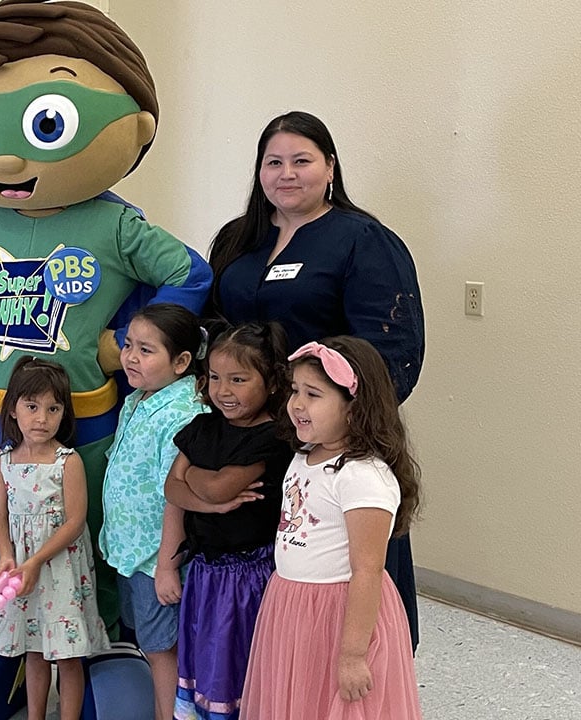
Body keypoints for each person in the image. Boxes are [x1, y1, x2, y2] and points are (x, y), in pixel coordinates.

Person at [0, 1, 211, 632]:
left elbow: (189, 273)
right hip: (1, 414)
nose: (3, 162)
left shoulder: (114, 222)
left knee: (89, 533)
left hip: (88, 413)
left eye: (46, 122)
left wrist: (126, 346)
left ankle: (98, 647)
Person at [205, 110, 425, 648]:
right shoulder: (240, 238)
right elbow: (212, 318)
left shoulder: (362, 240)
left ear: (330, 166)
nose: (287, 173)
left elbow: (390, 353)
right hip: (248, 427)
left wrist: (331, 426)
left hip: (328, 441)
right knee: (258, 573)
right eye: (273, 162)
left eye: (301, 160)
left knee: (344, 567)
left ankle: (362, 665)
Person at [241, 337, 422, 719]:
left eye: (313, 394)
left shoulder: (362, 476)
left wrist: (354, 655)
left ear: (354, 409)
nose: (297, 404)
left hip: (338, 613)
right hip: (293, 605)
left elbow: (368, 569)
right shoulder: (305, 456)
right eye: (294, 391)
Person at [163, 323, 295, 720]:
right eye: (216, 378)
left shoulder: (273, 436)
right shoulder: (204, 426)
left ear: (270, 382)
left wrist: (197, 480)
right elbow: (172, 489)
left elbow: (219, 487)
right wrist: (211, 502)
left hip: (249, 578)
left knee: (238, 662)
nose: (223, 391)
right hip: (206, 572)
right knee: (206, 657)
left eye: (238, 380)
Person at [99, 304, 208, 720]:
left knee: (165, 652)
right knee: (151, 646)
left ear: (181, 362)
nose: (129, 357)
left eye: (146, 350)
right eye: (128, 345)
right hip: (131, 553)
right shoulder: (139, 399)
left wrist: (166, 567)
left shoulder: (184, 414)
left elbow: (175, 497)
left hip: (154, 561)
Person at [0, 357, 110, 720]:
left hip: (61, 571)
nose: (42, 418)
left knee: (68, 655)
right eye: (32, 406)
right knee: (35, 650)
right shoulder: (4, 463)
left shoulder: (67, 461)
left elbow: (75, 521)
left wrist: (37, 560)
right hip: (23, 574)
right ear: (13, 409)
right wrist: (7, 556)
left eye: (53, 408)